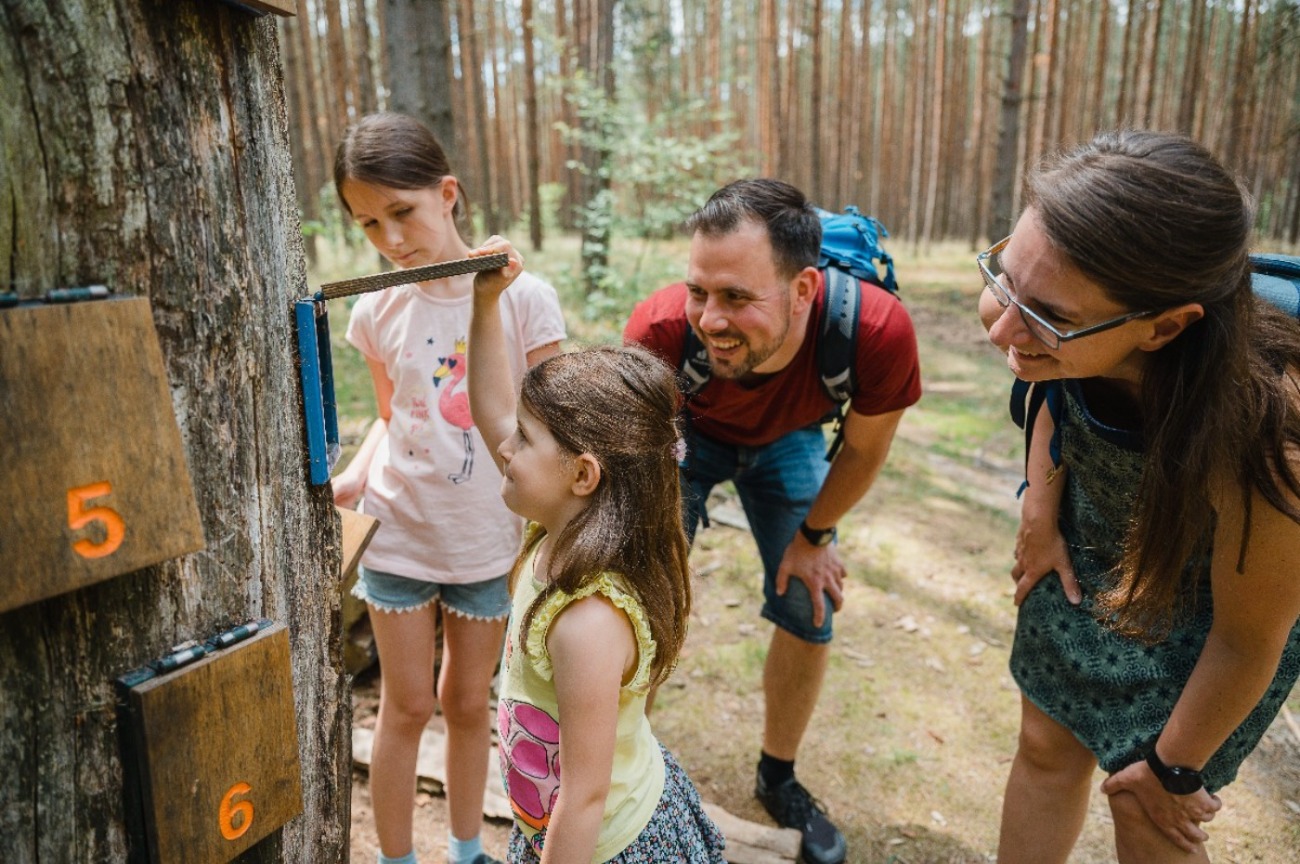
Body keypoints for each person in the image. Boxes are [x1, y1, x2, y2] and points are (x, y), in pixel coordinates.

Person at [978, 130, 1300, 863]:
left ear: (1165, 327)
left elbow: (1249, 638)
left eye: (1048, 314)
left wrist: (1174, 768)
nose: (1001, 329)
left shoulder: (1266, 437)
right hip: (1090, 549)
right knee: (1044, 743)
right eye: (1003, 280)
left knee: (1146, 808)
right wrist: (1039, 506)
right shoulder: (1071, 326)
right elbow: (1054, 393)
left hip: (1215, 624)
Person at [624, 178, 923, 864]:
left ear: (804, 290)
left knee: (808, 600)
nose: (711, 318)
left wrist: (814, 538)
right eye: (700, 291)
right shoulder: (660, 330)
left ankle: (778, 776)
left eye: (737, 298)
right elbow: (639, 450)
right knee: (636, 602)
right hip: (685, 435)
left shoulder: (874, 331)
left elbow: (866, 448)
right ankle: (619, 768)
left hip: (792, 440)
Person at [330, 113, 566, 864]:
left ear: (448, 194)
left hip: (487, 540)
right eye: (368, 222)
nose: (390, 239)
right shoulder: (377, 307)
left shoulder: (525, 299)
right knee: (407, 704)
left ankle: (468, 852)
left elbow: (554, 426)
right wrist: (355, 476)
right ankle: (398, 858)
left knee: (469, 703)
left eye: (402, 212)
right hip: (399, 533)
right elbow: (392, 417)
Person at [464, 236, 727, 864]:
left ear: (583, 475)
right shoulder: (559, 526)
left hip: (603, 843)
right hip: (558, 828)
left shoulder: (587, 622)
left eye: (524, 441)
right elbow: (493, 411)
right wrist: (484, 306)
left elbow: (584, 795)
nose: (505, 447)